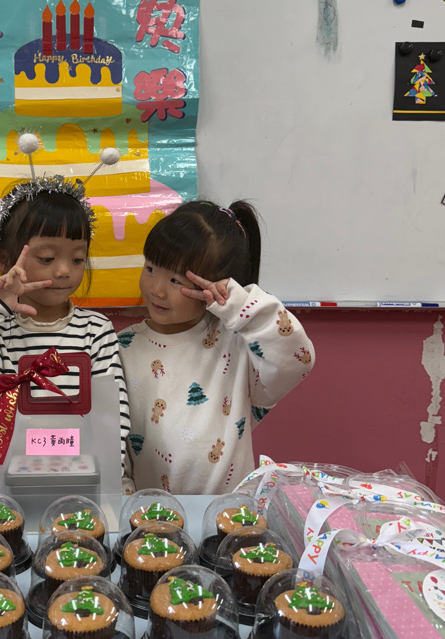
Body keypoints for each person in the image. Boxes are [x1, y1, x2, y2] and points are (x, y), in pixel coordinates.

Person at [0, 174, 129, 496]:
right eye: (47, 258)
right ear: (5, 261)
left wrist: (105, 478)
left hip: (79, 484)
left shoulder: (96, 329)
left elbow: (114, 414)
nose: (64, 270)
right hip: (1, 489)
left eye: (77, 258)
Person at [118, 200, 314, 495]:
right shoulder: (121, 347)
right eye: (150, 268)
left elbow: (298, 361)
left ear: (214, 286)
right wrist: (126, 503)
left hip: (227, 514)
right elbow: (113, 446)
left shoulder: (237, 344)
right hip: (150, 516)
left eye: (175, 280)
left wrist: (238, 304)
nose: (157, 289)